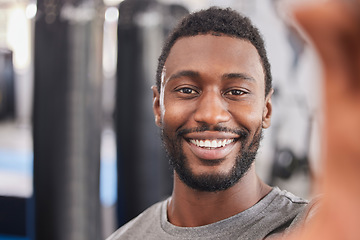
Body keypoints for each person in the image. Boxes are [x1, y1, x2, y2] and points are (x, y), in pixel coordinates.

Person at [107, 7, 310, 240]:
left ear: (266, 110)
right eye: (186, 90)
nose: (211, 115)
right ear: (157, 107)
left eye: (236, 91)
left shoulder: (310, 227)